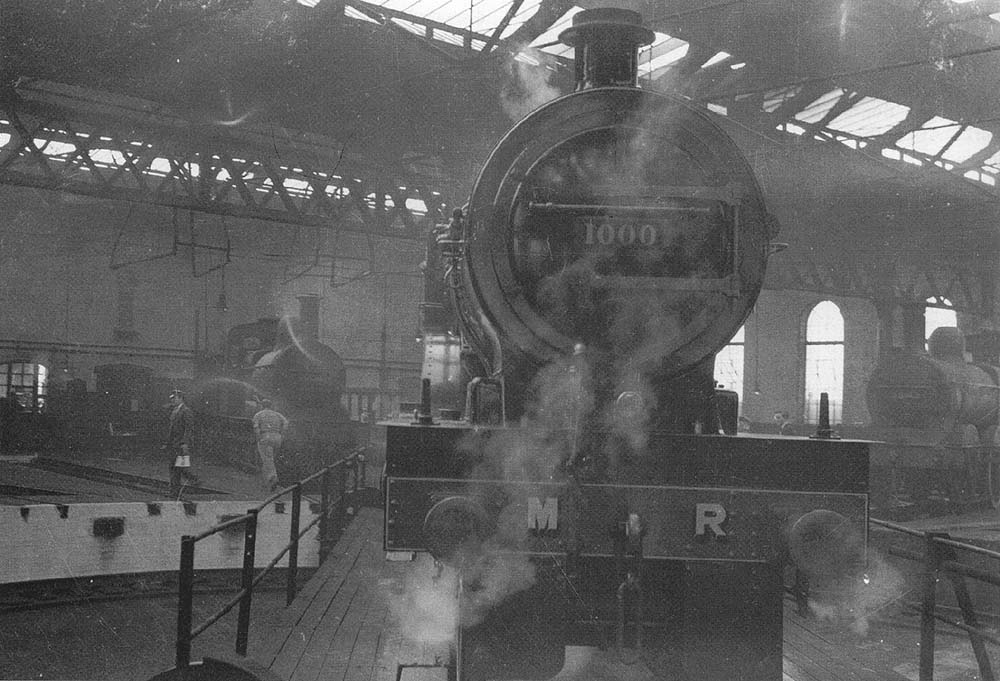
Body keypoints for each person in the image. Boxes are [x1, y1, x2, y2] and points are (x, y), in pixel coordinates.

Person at [164, 390, 199, 498]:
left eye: (174, 398)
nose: (172, 400)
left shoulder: (186, 411)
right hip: (174, 444)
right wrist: (168, 442)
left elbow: (189, 429)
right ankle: (175, 491)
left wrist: (185, 443)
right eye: (172, 398)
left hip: (181, 444)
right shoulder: (175, 410)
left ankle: (192, 479)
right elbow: (172, 429)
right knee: (175, 467)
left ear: (180, 398)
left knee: (178, 467)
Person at [252, 398, 289, 493]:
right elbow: (286, 422)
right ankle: (266, 482)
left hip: (265, 436)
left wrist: (258, 438)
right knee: (271, 458)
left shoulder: (258, 414)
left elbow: (256, 427)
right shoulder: (277, 414)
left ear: (262, 406)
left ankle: (273, 477)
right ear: (271, 406)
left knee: (267, 459)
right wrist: (282, 434)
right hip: (277, 437)